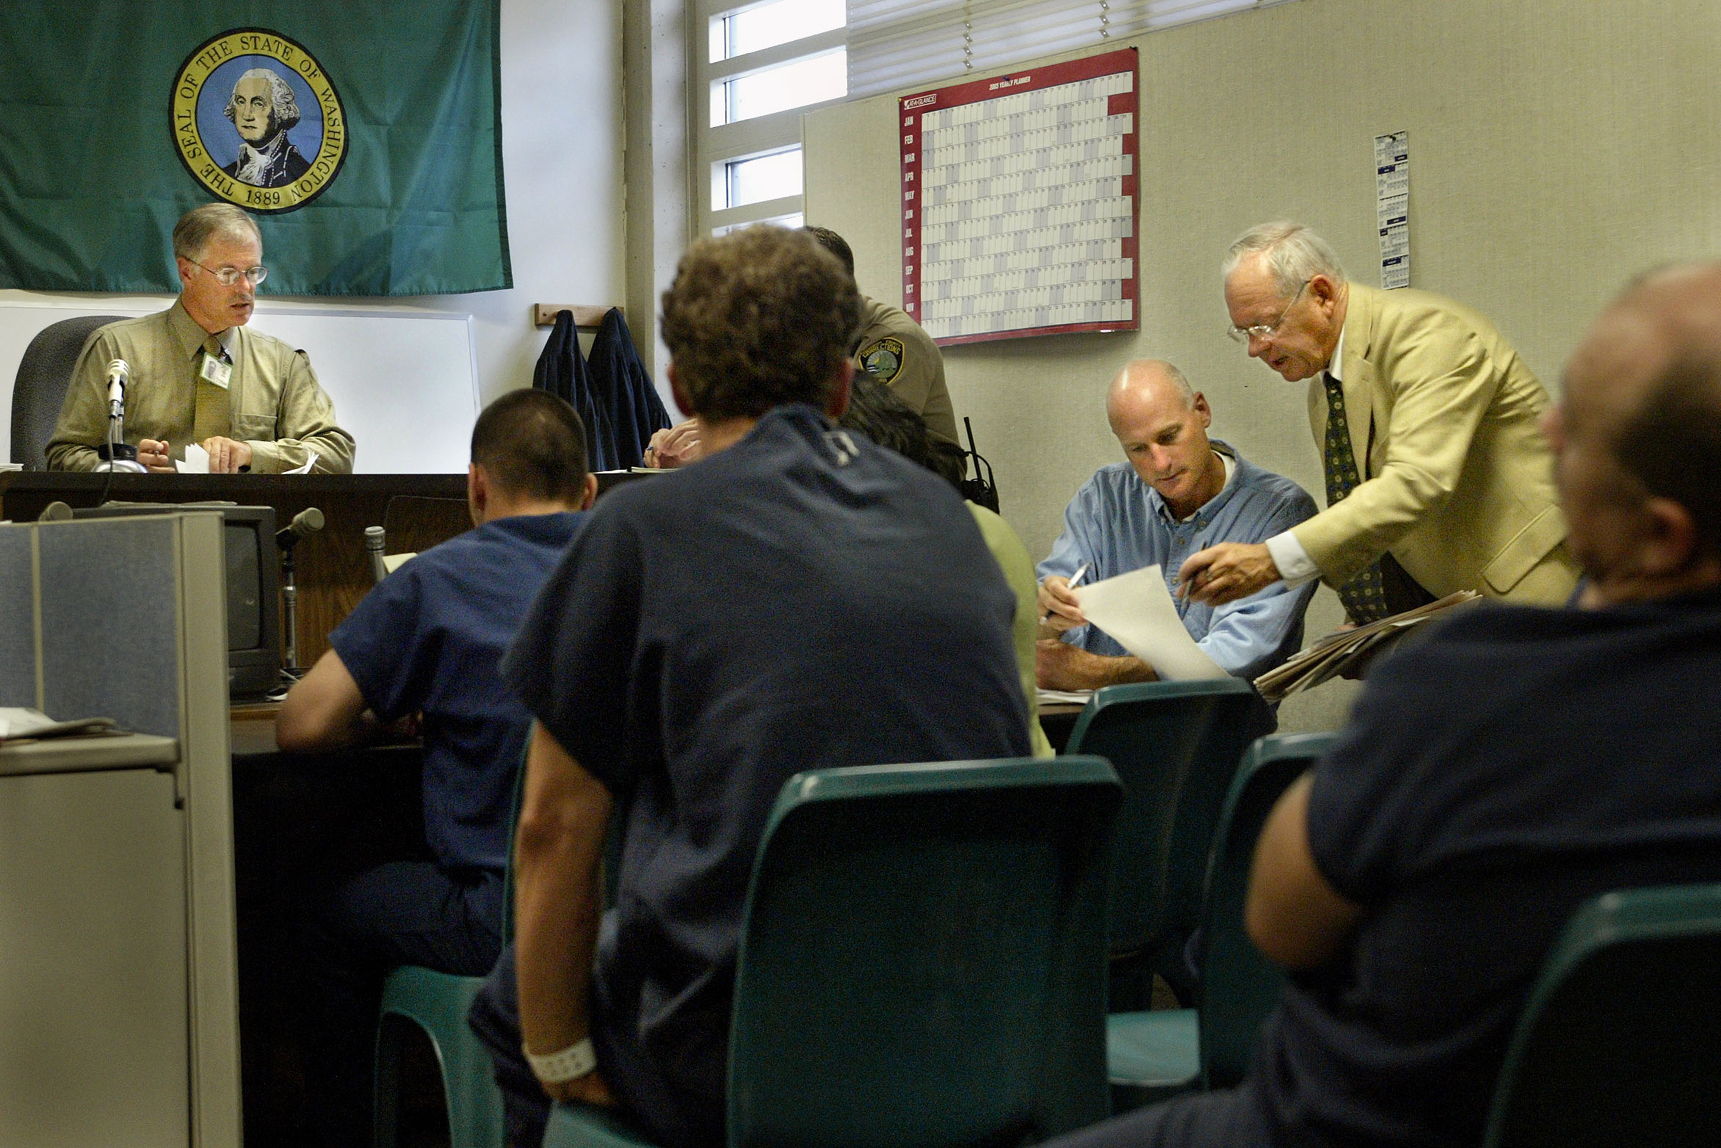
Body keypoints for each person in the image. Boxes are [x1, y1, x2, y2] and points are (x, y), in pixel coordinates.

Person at [1040, 261, 1721, 1148]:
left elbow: (1275, 923)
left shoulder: (1466, 688)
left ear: (1662, 532)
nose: (1542, 430)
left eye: (1578, 427)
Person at [468, 225, 1029, 1147]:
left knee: (511, 1007)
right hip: (964, 1023)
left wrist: (564, 1056)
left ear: (681, 390)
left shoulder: (639, 530)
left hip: (738, 1050)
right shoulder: (947, 519)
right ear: (843, 385)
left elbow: (550, 826)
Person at [274, 389, 594, 1142]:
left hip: (500, 916)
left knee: (323, 912)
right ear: (588, 491)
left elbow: (301, 724)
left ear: (475, 486)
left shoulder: (439, 577)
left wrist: (375, 724)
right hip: (632, 905)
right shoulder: (643, 572)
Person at [1178, 221, 1577, 624]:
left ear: (1322, 294)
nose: (1254, 348)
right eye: (1243, 332)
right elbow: (1377, 512)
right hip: (1469, 614)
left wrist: (1273, 559)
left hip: (1544, 594)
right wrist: (1370, 617)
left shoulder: (1425, 334)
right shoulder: (1325, 387)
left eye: (1265, 326)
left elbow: (1417, 482)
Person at [1037, 359, 1317, 690]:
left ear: (1202, 410)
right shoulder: (1104, 497)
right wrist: (1049, 611)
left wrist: (1098, 673)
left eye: (1169, 437)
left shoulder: (1279, 510)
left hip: (1213, 732)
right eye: (1138, 449)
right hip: (1093, 727)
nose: (1160, 463)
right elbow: (1046, 624)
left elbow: (1234, 658)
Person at [46, 202, 354, 473]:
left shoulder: (281, 363)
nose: (245, 288)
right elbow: (64, 457)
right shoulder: (117, 350)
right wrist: (129, 468)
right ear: (186, 272)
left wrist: (253, 453)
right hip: (149, 524)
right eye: (228, 274)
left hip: (247, 526)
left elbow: (336, 455)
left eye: (252, 272)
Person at [222, 67, 312, 188]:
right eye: (241, 101)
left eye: (258, 103)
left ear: (279, 110)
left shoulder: (301, 173)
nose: (246, 114)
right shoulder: (226, 175)